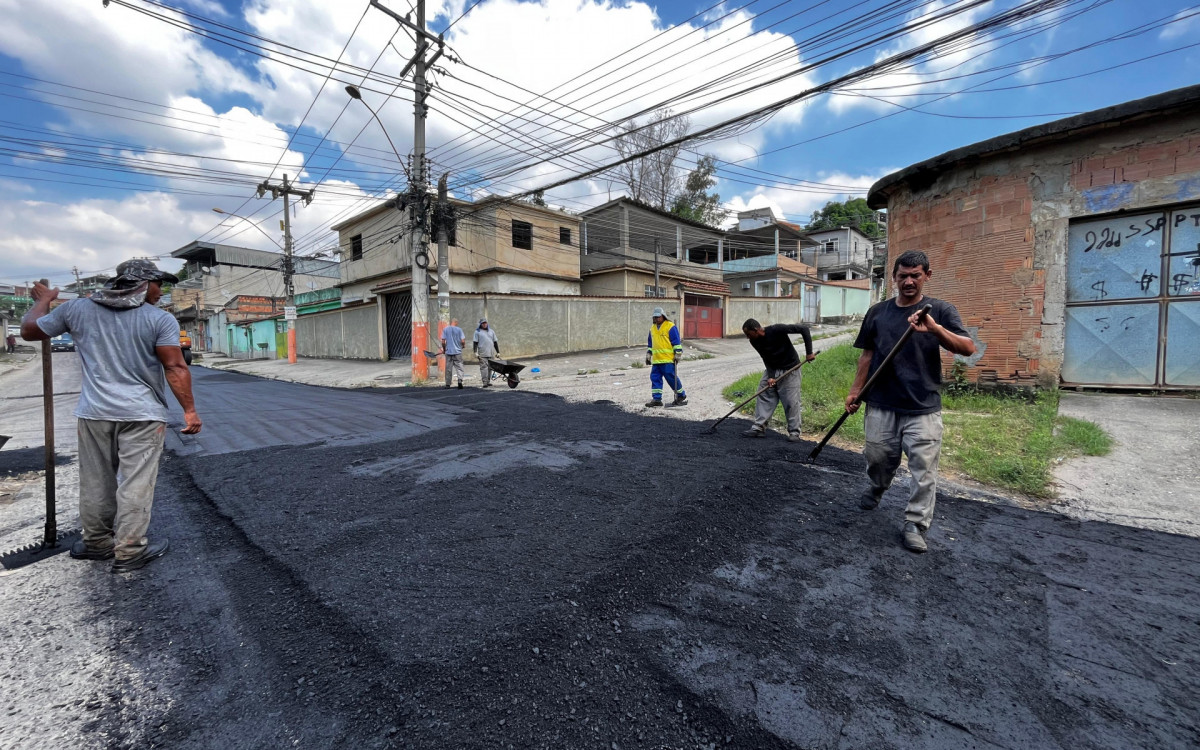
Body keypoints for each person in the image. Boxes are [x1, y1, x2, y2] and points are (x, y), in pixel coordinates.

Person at [21, 259, 202, 573]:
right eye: (159, 284)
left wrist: (43, 302)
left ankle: (96, 543)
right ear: (143, 283)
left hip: (95, 413)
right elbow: (174, 367)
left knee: (96, 482)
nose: (162, 292)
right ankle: (130, 550)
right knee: (136, 482)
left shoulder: (76, 310)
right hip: (143, 415)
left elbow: (30, 329)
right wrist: (189, 411)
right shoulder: (159, 319)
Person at [845, 250, 976, 554]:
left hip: (922, 406)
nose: (908, 281)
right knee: (877, 457)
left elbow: (968, 348)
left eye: (915, 275)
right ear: (894, 277)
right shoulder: (878, 312)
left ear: (927, 276)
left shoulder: (940, 311)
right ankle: (878, 486)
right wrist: (855, 391)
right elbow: (866, 355)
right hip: (880, 402)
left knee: (924, 469)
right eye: (902, 275)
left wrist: (934, 328)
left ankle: (915, 523)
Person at [741, 319, 815, 442]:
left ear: (756, 330)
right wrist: (770, 376)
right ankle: (758, 428)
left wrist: (809, 352)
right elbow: (765, 357)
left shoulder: (776, 329)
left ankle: (794, 433)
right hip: (773, 369)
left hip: (791, 369)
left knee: (791, 401)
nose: (748, 338)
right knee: (764, 394)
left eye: (748, 334)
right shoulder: (754, 341)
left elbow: (804, 329)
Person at [645, 307, 687, 408]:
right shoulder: (652, 329)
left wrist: (678, 354)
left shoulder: (670, 326)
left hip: (668, 359)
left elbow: (676, 341)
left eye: (658, 317)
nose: (656, 319)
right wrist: (649, 354)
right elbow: (651, 344)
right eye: (655, 317)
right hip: (656, 360)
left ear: (663, 316)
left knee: (671, 378)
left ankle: (681, 395)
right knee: (655, 378)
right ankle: (657, 399)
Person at [473, 318, 500, 387]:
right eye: (483, 323)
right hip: (482, 353)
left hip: (491, 353)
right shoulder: (477, 332)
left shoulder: (491, 331)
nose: (484, 324)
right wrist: (475, 352)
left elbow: (495, 342)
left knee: (490, 368)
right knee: (483, 368)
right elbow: (475, 342)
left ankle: (488, 381)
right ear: (480, 324)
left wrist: (498, 352)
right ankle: (484, 382)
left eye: (485, 323)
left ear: (487, 323)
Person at [440, 319, 466, 389]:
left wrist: (444, 349)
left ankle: (448, 384)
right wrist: (463, 346)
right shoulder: (459, 330)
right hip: (457, 352)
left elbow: (443, 342)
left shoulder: (445, 329)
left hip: (448, 352)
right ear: (456, 322)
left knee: (448, 368)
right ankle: (460, 381)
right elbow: (463, 341)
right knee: (459, 367)